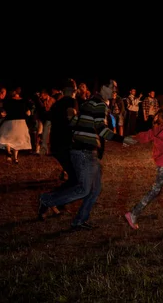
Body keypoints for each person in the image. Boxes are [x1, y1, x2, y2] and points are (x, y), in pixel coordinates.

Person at [38, 79, 137, 230]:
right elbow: (102, 129)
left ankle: (79, 220)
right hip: (83, 151)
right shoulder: (99, 104)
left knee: (95, 189)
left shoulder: (87, 103)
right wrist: (122, 139)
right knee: (84, 189)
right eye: (112, 88)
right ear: (103, 87)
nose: (114, 91)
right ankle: (47, 200)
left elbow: (74, 123)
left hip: (88, 150)